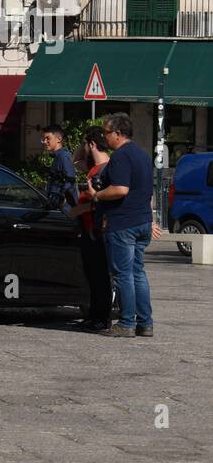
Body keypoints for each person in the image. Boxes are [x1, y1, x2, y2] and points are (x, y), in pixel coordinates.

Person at [82, 112, 154, 338]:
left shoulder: (121, 156)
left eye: (106, 132)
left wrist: (97, 195)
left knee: (123, 274)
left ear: (118, 133)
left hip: (124, 223)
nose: (105, 137)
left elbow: (120, 189)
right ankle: (145, 323)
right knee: (137, 273)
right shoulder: (142, 155)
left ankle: (126, 323)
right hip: (142, 221)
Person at [68, 126, 111, 332]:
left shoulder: (106, 169)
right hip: (86, 228)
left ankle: (102, 317)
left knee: (100, 276)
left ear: (92, 144)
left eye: (86, 143)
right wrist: (84, 144)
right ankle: (94, 314)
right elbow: (75, 161)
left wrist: (81, 209)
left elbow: (103, 203)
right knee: (91, 275)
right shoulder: (93, 167)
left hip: (97, 230)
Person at [42, 125, 79, 214]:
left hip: (65, 210)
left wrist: (62, 199)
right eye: (43, 139)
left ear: (59, 139)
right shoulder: (58, 156)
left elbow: (70, 179)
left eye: (48, 138)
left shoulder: (63, 156)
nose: (45, 142)